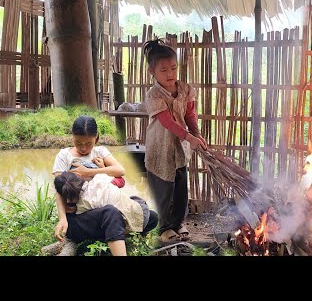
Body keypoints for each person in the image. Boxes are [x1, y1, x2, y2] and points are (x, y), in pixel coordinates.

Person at [52, 115, 148, 256]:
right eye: (78, 143)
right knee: (110, 212)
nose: (84, 148)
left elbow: (120, 171)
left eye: (89, 143)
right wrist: (62, 218)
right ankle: (113, 236)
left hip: (105, 209)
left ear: (96, 137)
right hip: (81, 217)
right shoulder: (64, 156)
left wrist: (91, 171)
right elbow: (60, 190)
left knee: (151, 217)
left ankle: (110, 233)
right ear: (72, 136)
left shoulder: (100, 151)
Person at [143, 39, 207, 243]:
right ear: (152, 71)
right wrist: (189, 137)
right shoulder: (153, 95)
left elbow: (190, 114)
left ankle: (178, 223)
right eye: (164, 70)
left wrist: (196, 133)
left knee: (180, 187)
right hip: (160, 147)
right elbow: (168, 122)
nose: (170, 74)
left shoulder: (185, 89)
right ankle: (163, 227)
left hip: (179, 147)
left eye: (173, 68)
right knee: (163, 189)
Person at [54, 171, 158, 236]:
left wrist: (72, 209)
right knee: (152, 216)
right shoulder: (100, 178)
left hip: (120, 224)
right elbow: (121, 181)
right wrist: (99, 168)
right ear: (79, 177)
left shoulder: (83, 206)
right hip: (138, 211)